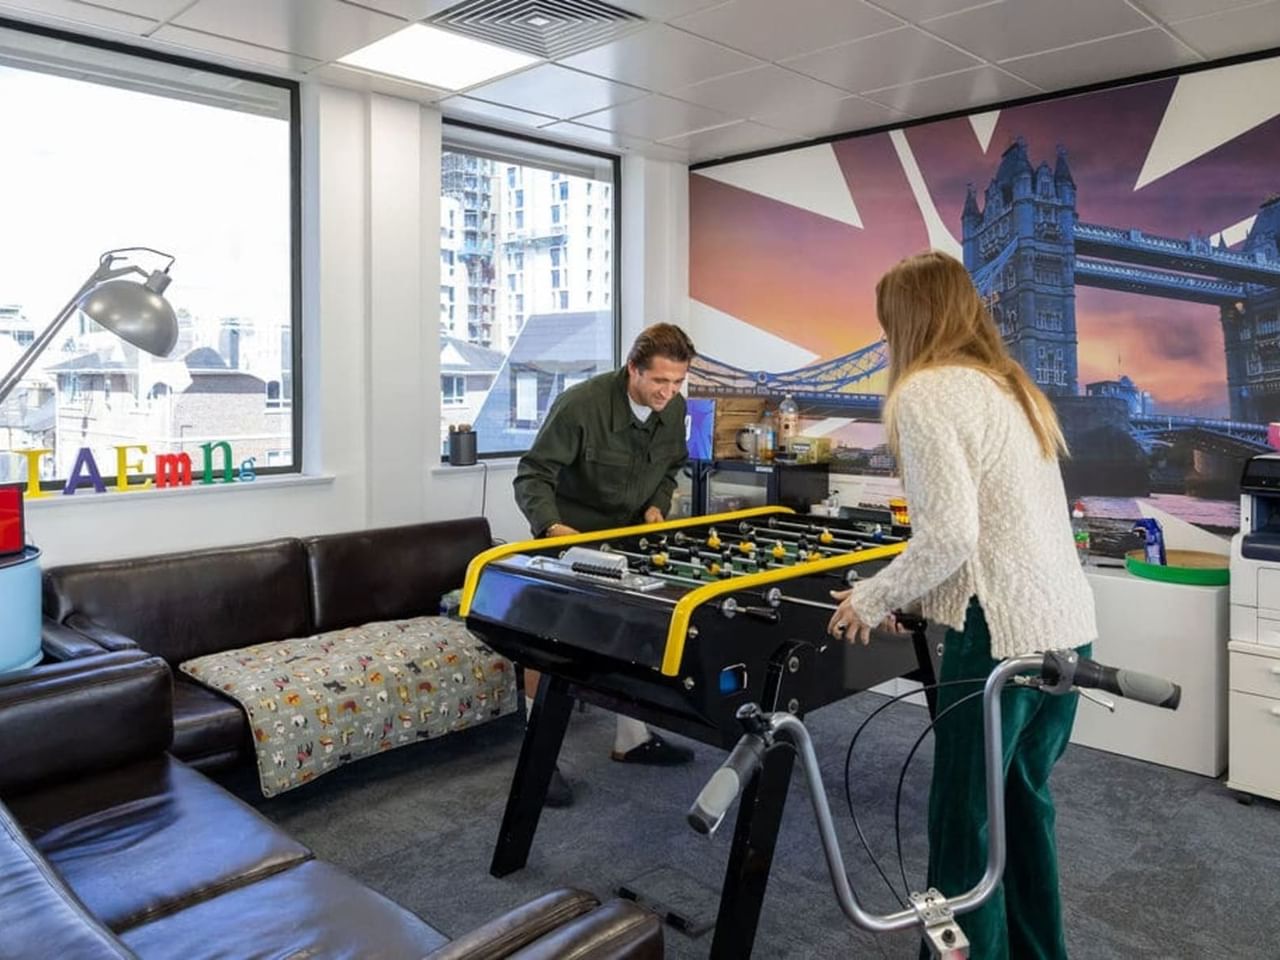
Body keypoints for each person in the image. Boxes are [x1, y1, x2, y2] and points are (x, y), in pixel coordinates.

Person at [826, 251, 1096, 959]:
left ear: (908, 320)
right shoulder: (1013, 389)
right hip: (1067, 630)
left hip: (999, 639)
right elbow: (998, 533)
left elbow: (950, 536)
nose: (886, 337)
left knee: (964, 826)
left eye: (888, 322)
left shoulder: (924, 392)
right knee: (1022, 812)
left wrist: (873, 596)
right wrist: (917, 600)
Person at [513, 322, 698, 807]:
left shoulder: (674, 408)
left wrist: (658, 504)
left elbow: (671, 466)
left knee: (633, 634)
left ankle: (631, 739)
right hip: (567, 539)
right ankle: (537, 759)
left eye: (678, 382)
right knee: (546, 645)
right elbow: (532, 474)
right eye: (660, 381)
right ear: (633, 369)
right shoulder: (581, 405)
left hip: (627, 540)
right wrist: (552, 527)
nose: (669, 392)